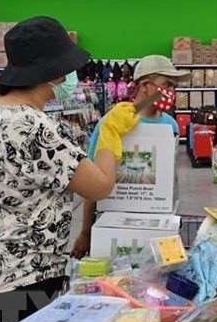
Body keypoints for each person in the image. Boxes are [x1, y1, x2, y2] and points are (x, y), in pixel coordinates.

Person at [0, 16, 141, 322]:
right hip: (17, 278)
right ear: (55, 74)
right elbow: (100, 185)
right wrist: (109, 132)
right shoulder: (37, 128)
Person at [71, 55, 190, 258]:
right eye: (167, 85)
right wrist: (86, 232)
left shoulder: (171, 126)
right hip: (115, 225)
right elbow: (92, 184)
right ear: (145, 86)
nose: (172, 92)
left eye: (174, 87)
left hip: (155, 226)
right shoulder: (112, 124)